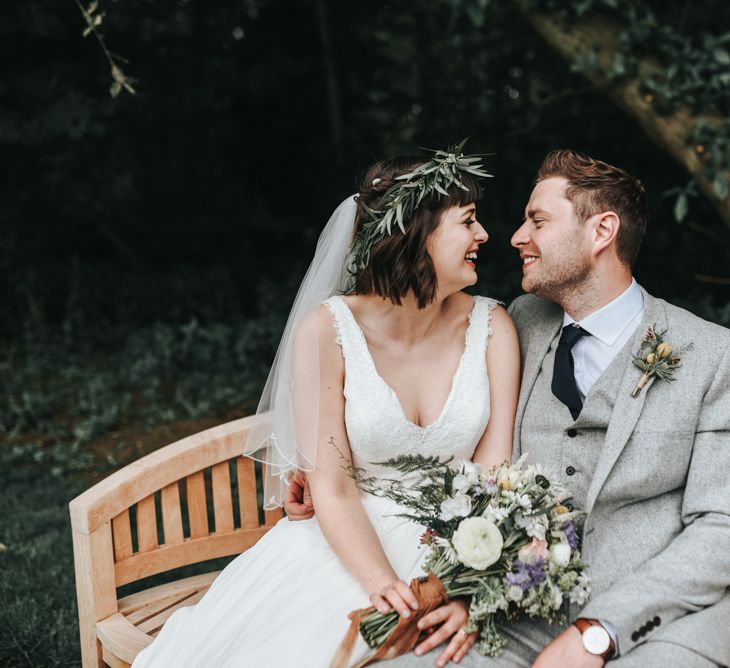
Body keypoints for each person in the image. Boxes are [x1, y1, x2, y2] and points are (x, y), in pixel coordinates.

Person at [131, 146, 521, 667]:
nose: (484, 236)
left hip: (458, 541)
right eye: (468, 222)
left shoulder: (494, 327)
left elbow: (497, 474)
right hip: (346, 538)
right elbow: (331, 487)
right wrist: (385, 585)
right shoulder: (327, 332)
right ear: (418, 232)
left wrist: (468, 580)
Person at [370, 150, 730, 667]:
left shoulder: (713, 355)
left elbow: (721, 528)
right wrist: (330, 466)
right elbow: (416, 373)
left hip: (658, 625)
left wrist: (598, 632)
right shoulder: (520, 323)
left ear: (602, 231)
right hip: (520, 611)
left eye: (537, 221)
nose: (517, 237)